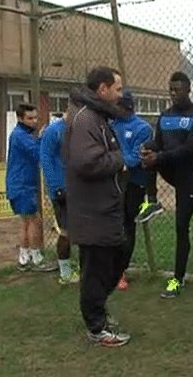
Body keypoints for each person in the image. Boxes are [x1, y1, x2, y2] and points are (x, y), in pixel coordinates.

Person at [63, 67, 130, 347]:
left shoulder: (96, 117)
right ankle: (96, 328)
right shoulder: (85, 118)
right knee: (96, 269)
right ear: (102, 89)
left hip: (104, 207)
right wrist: (119, 159)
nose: (120, 93)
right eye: (117, 88)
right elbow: (87, 162)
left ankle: (99, 313)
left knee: (117, 257)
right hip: (92, 211)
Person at [140, 72, 193, 298]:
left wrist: (158, 157)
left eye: (177, 89)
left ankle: (176, 280)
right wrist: (149, 148)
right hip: (170, 168)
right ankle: (152, 202)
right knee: (147, 155)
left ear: (188, 90)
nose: (173, 93)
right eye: (170, 89)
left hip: (189, 177)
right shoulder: (164, 116)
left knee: (181, 227)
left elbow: (190, 148)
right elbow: (159, 143)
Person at [112, 90, 153, 291]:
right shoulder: (111, 125)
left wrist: (115, 159)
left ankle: (121, 270)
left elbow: (136, 159)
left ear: (126, 107)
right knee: (110, 224)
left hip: (133, 184)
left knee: (127, 224)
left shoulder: (142, 128)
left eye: (116, 106)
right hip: (112, 181)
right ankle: (108, 268)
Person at [6, 103, 53, 271]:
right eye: (30, 118)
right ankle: (35, 256)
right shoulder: (20, 135)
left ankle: (24, 257)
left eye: (35, 118)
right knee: (33, 220)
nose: (34, 121)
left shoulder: (23, 134)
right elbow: (37, 153)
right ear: (20, 118)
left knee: (27, 221)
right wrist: (44, 138)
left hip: (22, 183)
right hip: (22, 184)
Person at [40, 101, 79, 283]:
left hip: (78, 187)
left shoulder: (78, 130)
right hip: (62, 189)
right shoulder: (53, 131)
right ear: (68, 110)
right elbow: (46, 160)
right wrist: (56, 187)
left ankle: (76, 267)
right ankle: (64, 272)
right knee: (66, 231)